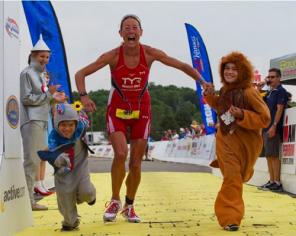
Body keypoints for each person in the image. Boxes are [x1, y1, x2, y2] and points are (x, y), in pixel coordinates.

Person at [75, 14, 206, 223]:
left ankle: (129, 205)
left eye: (134, 27)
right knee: (120, 154)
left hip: (141, 109)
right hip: (117, 109)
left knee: (136, 163)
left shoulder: (150, 53)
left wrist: (203, 82)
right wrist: (84, 96)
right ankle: (115, 199)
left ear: (141, 32)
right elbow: (80, 74)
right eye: (126, 28)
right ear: (120, 34)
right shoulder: (112, 56)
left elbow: (181, 65)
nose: (130, 31)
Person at [203, 52, 270, 231]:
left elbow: (265, 118)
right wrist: (209, 96)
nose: (230, 72)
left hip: (247, 144)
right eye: (227, 68)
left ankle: (230, 211)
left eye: (234, 69)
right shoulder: (224, 91)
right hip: (225, 140)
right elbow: (220, 106)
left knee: (239, 176)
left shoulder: (250, 92)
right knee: (232, 178)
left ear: (242, 72)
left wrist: (242, 114)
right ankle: (230, 218)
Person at [20, 35, 67, 211]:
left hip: (40, 119)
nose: (45, 60)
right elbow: (26, 98)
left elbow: (41, 99)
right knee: (31, 161)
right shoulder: (27, 73)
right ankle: (27, 201)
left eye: (47, 57)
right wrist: (49, 95)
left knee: (36, 159)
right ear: (32, 55)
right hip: (31, 120)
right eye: (41, 56)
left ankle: (29, 199)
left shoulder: (39, 75)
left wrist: (55, 99)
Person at [41, 103, 96, 231]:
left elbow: (84, 117)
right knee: (65, 196)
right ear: (56, 125)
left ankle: (88, 196)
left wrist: (83, 109)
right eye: (63, 125)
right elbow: (50, 154)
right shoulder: (54, 139)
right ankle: (70, 221)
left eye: (71, 125)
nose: (67, 129)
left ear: (76, 124)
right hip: (63, 170)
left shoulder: (81, 126)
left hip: (80, 165)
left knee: (86, 193)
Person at [259, 68, 288, 192]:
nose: (270, 79)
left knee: (274, 155)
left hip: (273, 127)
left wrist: (274, 125)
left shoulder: (281, 91)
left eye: (273, 77)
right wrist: (260, 87)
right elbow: (259, 101)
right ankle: (271, 181)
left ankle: (277, 182)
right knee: (268, 155)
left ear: (279, 78)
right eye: (269, 77)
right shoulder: (270, 92)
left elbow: (280, 109)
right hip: (266, 126)